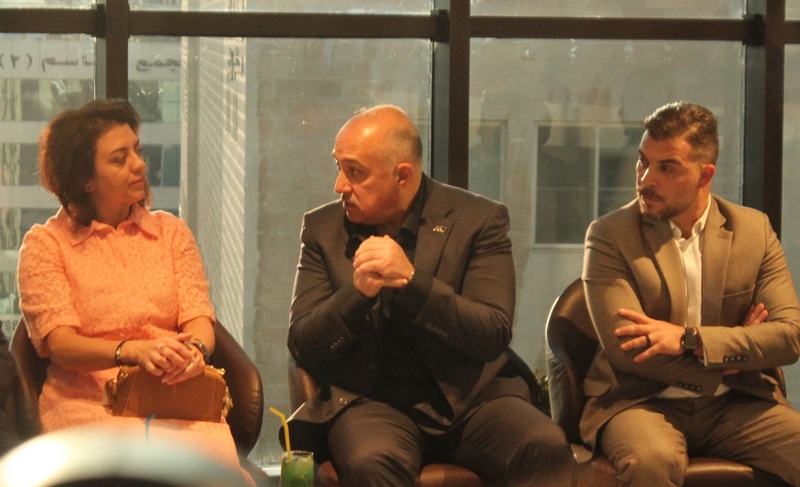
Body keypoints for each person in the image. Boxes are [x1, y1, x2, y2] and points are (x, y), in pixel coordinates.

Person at [285, 105, 573, 487]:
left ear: (402, 175)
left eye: (354, 172)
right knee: (372, 460)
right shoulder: (322, 230)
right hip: (371, 402)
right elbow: (303, 343)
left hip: (471, 399)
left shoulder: (479, 220)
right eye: (338, 167)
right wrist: (357, 294)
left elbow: (492, 331)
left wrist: (412, 282)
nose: (340, 185)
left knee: (546, 445)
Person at [16, 99, 253, 485]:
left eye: (137, 151)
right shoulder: (46, 244)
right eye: (120, 159)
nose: (139, 165)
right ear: (85, 179)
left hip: (174, 395)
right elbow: (60, 344)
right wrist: (132, 351)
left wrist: (195, 352)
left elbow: (199, 317)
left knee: (213, 475)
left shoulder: (170, 232)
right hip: (89, 401)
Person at [582, 101, 800, 486]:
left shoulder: (753, 230)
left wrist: (691, 339)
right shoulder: (610, 234)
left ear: (705, 174)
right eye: (643, 162)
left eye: (667, 168)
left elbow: (789, 336)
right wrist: (731, 356)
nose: (646, 178)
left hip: (738, 402)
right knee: (652, 461)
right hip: (640, 401)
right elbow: (628, 350)